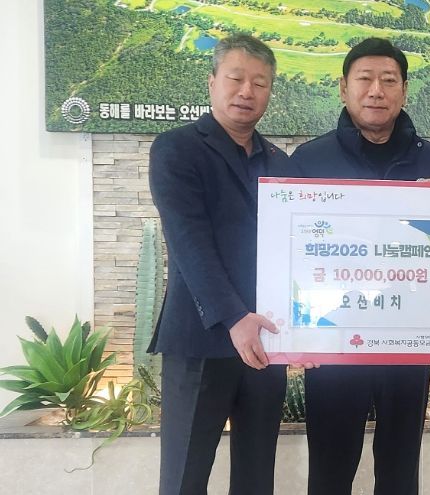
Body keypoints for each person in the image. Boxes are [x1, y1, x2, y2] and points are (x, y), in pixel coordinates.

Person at [290, 38, 430, 495]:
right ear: (343, 88)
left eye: (388, 80)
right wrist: (293, 331)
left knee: (400, 471)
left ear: (404, 90)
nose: (376, 90)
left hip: (408, 342)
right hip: (333, 342)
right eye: (364, 79)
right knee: (329, 470)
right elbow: (291, 255)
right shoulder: (309, 161)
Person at [148, 35, 291, 495]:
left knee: (256, 476)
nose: (247, 91)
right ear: (212, 82)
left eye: (260, 83)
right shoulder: (176, 149)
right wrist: (234, 317)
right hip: (201, 338)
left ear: (270, 92)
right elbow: (189, 242)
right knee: (184, 477)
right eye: (236, 78)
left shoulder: (280, 163)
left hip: (266, 341)